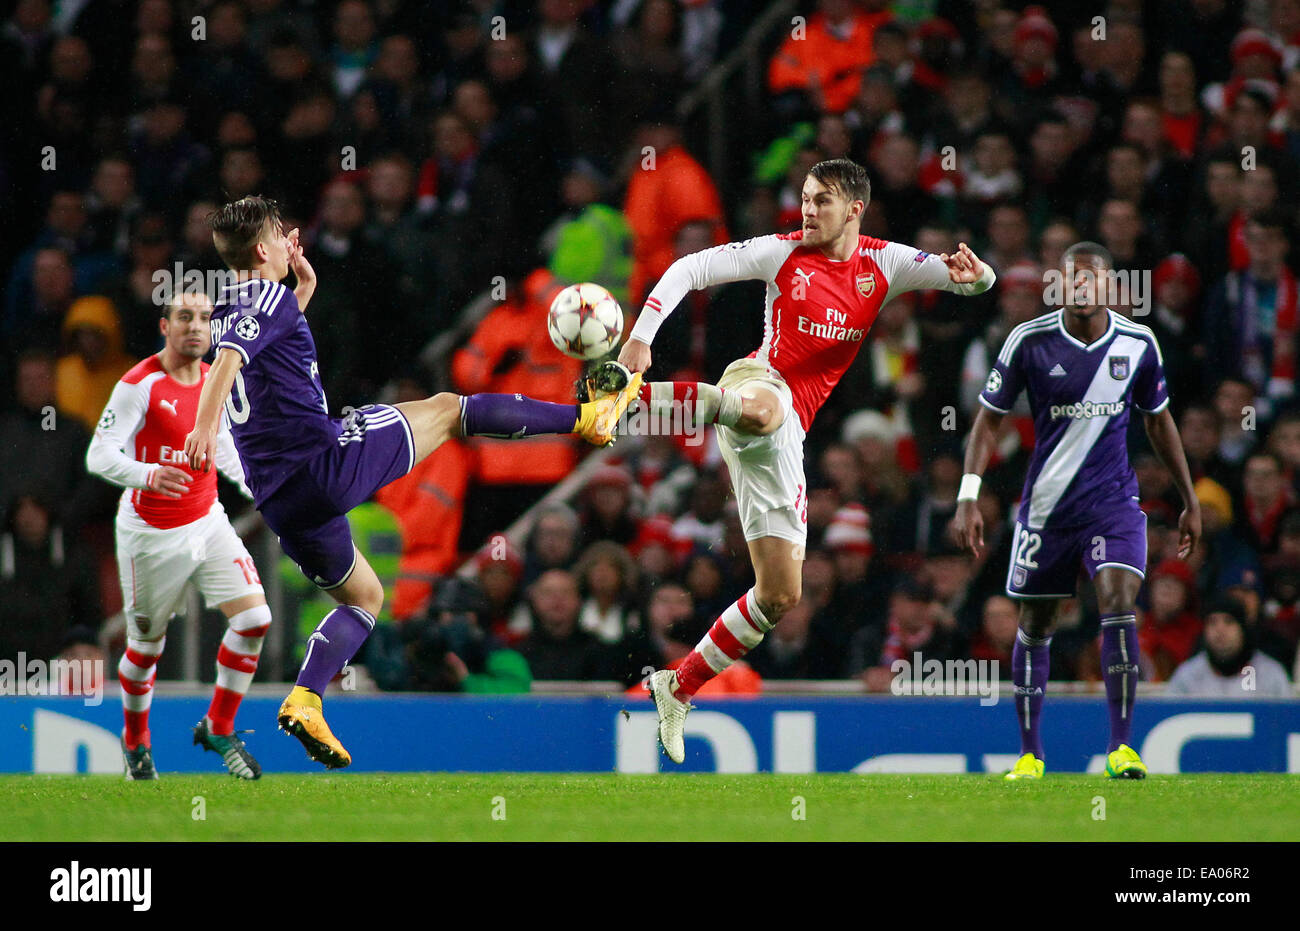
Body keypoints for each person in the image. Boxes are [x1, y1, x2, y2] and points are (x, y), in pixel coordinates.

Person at [182, 195, 639, 769]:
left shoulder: (238, 306)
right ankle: (586, 419)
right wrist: (202, 428)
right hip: (323, 467)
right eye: (282, 232)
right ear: (262, 249)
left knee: (366, 597)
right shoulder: (264, 300)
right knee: (449, 409)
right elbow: (229, 360)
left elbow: (255, 345)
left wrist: (303, 289)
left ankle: (305, 697)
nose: (293, 236)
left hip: (281, 502)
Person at [623, 158, 997, 763]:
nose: (807, 210)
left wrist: (977, 275)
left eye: (821, 200)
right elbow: (693, 267)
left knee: (779, 595)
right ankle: (630, 396)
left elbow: (974, 284)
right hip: (755, 383)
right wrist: (643, 336)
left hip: (787, 430)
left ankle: (678, 685)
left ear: (855, 209)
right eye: (804, 198)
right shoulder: (781, 251)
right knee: (766, 409)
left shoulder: (886, 263)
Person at [955, 241, 1203, 781]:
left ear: (1111, 287)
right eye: (1073, 280)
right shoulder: (1029, 341)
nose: (1082, 289)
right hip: (1046, 510)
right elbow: (988, 420)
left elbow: (1159, 422)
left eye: (1092, 280)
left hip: (1113, 504)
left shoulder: (1137, 343)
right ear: (1060, 285)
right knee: (1037, 623)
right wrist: (968, 494)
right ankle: (1029, 755)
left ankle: (1121, 748)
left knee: (1117, 601)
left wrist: (1189, 498)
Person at [86, 292, 269, 781]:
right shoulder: (139, 384)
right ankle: (136, 742)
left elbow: (224, 446)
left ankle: (219, 726)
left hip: (207, 520)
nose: (196, 326)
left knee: (254, 618)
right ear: (165, 327)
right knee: (146, 648)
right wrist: (148, 474)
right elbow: (99, 456)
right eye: (184, 317)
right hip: (149, 534)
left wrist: (263, 490)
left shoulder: (217, 379)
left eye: (205, 318)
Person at [1166, 598, 1292, 698]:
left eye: (1228, 621)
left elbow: (1286, 720)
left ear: (1242, 629)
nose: (1220, 630)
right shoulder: (1188, 675)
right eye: (1212, 622)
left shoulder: (1270, 674)